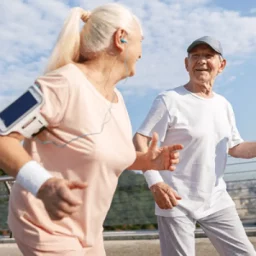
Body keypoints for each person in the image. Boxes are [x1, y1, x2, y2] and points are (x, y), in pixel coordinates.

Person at [0, 3, 183, 256]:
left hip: (89, 231)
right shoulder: (61, 83)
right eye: (141, 41)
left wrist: (145, 161)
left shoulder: (117, 100)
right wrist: (43, 185)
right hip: (45, 226)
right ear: (121, 38)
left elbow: (97, 154)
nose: (142, 51)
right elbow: (2, 135)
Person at [133, 36, 256, 256]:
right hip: (175, 200)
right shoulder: (169, 100)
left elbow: (235, 147)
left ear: (222, 64)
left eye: (208, 56)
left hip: (216, 199)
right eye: (195, 56)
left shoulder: (224, 105)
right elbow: (141, 139)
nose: (201, 61)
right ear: (186, 64)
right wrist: (155, 183)